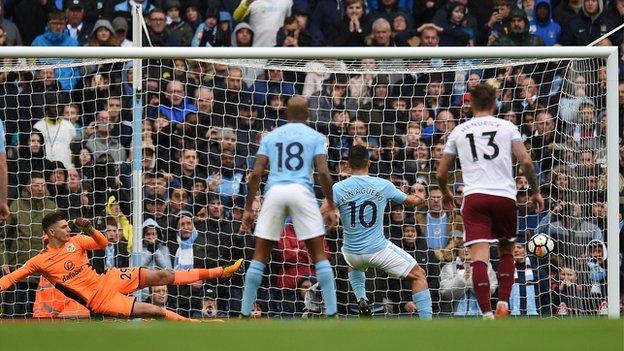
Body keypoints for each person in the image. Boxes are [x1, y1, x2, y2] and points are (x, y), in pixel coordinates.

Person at [0, 212, 243, 321]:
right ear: (51, 232)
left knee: (163, 274)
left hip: (109, 278)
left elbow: (103, 243)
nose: (68, 229)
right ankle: (196, 325)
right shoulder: (40, 260)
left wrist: (90, 229)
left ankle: (222, 271)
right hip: (98, 300)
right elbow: (11, 279)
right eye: (63, 227)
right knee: (154, 311)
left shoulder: (76, 241)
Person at [437, 83, 544, 319]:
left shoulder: (459, 130)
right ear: (495, 102)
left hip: (475, 198)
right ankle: (503, 302)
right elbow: (525, 161)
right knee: (506, 250)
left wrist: (445, 193)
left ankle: (485, 313)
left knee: (479, 259)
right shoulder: (507, 127)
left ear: (471, 103)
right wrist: (535, 191)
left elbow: (441, 174)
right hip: (504, 196)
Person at [239, 96, 338, 317]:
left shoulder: (271, 136)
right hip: (302, 192)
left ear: (286, 114)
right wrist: (330, 205)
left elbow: (256, 174)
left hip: (274, 191)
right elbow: (323, 172)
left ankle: (244, 313)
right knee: (319, 255)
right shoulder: (315, 137)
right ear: (307, 114)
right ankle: (332, 313)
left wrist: (248, 208)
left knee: (259, 256)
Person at [328, 145, 431, 319]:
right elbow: (412, 202)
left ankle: (362, 298)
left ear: (348, 165)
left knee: (354, 262)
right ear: (369, 163)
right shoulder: (383, 185)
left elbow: (323, 210)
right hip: (378, 250)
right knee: (419, 275)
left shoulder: (338, 188)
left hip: (351, 254)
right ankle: (428, 325)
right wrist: (420, 195)